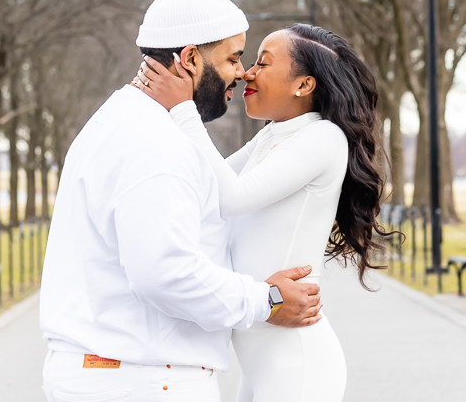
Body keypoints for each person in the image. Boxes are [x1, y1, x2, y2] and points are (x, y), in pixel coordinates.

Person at [39, 0, 323, 402]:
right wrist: (267, 299)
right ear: (190, 59)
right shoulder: (153, 139)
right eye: (232, 58)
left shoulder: (122, 119)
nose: (242, 72)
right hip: (143, 382)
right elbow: (164, 273)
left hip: (120, 376)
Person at [136, 23, 389, 402]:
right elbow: (208, 184)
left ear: (303, 85)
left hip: (296, 363)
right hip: (262, 360)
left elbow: (232, 197)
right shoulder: (274, 135)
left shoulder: (322, 137)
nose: (247, 72)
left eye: (262, 63)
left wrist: (183, 108)